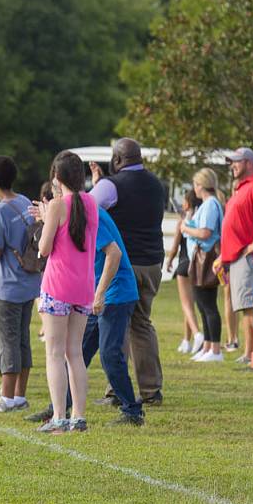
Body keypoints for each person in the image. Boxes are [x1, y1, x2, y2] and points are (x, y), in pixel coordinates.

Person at [89, 138, 165, 405]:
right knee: (142, 324)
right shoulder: (157, 184)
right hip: (153, 263)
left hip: (123, 266)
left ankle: (116, 392)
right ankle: (151, 390)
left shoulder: (112, 185)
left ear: (117, 160)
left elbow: (88, 208)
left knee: (117, 327)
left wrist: (98, 183)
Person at [35, 151, 98, 433]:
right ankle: (79, 416)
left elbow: (44, 248)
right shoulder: (91, 203)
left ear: (58, 178)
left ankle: (59, 416)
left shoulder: (59, 205)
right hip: (84, 285)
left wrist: (44, 219)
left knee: (54, 352)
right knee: (75, 353)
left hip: (58, 285)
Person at [0, 155, 43, 413]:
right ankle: (19, 396)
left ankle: (6, 398)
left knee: (7, 342)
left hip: (7, 286)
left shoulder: (0, 210)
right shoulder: (25, 201)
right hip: (29, 282)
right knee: (22, 339)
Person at [217, 147, 253, 365]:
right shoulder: (241, 188)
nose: (232, 166)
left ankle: (252, 352)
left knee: (249, 306)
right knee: (243, 305)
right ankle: (249, 351)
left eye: (236, 161)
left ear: (249, 163)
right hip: (234, 256)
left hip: (246, 256)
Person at [181, 169, 226, 362]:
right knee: (202, 304)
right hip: (202, 258)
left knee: (208, 305)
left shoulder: (209, 205)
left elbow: (206, 233)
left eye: (195, 184)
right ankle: (208, 346)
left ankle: (215, 349)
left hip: (205, 259)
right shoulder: (210, 204)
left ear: (201, 185)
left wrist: (186, 228)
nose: (194, 188)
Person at [166, 191, 203, 355]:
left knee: (186, 306)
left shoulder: (183, 222)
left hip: (183, 265)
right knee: (190, 306)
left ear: (188, 203)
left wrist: (168, 261)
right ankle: (186, 341)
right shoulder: (200, 220)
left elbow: (174, 247)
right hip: (197, 265)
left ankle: (197, 334)